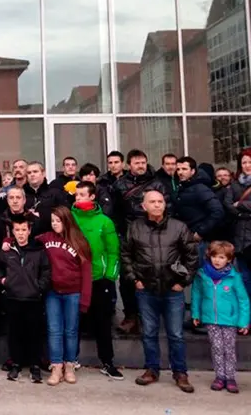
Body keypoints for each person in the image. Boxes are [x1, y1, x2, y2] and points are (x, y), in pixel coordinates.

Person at [121, 189, 197, 393]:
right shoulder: (134, 228)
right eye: (152, 202)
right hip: (146, 290)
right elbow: (126, 255)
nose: (157, 205)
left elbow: (191, 257)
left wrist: (183, 281)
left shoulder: (179, 227)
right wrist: (135, 279)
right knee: (149, 333)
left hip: (173, 290)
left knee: (176, 334)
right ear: (143, 206)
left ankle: (180, 372)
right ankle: (152, 369)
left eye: (160, 201)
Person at [112, 149, 169, 335]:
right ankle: (131, 316)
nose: (141, 165)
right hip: (128, 236)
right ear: (129, 165)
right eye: (136, 163)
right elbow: (114, 212)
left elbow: (168, 209)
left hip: (154, 235)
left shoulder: (157, 184)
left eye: (143, 162)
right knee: (128, 279)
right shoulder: (120, 185)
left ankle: (150, 316)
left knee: (152, 275)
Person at [71, 182, 123, 380]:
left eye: (82, 194)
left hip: (98, 279)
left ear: (92, 197)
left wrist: (110, 275)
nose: (78, 198)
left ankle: (107, 362)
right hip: (74, 278)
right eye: (76, 195)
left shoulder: (104, 221)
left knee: (102, 322)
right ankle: (71, 359)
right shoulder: (70, 218)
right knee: (73, 322)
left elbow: (113, 251)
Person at [36, 206, 92, 386]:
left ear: (66, 221)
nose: (54, 224)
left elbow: (86, 272)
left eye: (58, 221)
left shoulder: (79, 241)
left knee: (71, 330)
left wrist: (85, 300)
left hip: (73, 293)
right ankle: (56, 366)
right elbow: (26, 240)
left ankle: (70, 365)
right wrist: (7, 240)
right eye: (52, 221)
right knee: (54, 330)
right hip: (53, 292)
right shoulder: (46, 238)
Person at [0, 216, 51, 383]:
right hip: (13, 298)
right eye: (17, 230)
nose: (20, 234)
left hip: (33, 299)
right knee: (15, 333)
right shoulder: (8, 250)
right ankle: (16, 364)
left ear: (29, 231)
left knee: (34, 333)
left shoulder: (38, 250)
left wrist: (39, 287)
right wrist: (3, 280)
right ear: (13, 231)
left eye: (23, 230)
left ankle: (34, 366)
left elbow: (46, 271)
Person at [191, 241, 249, 393]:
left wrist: (243, 322)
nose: (217, 260)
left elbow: (243, 300)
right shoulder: (202, 275)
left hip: (229, 320)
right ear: (209, 257)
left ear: (229, 259)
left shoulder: (234, 277)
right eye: (214, 256)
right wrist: (196, 313)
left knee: (229, 349)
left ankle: (230, 377)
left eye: (222, 257)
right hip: (211, 319)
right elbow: (196, 294)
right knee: (216, 347)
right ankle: (219, 377)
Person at [173, 156, 224, 261]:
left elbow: (217, 211)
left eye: (184, 169)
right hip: (186, 239)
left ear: (192, 171)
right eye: (178, 169)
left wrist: (200, 232)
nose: (180, 172)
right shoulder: (182, 187)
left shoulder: (200, 188)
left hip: (199, 242)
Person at [226, 149, 251, 309]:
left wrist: (240, 205)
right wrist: (245, 214)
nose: (247, 165)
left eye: (250, 162)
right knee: (244, 280)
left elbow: (236, 205)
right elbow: (228, 205)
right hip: (240, 241)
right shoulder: (234, 185)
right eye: (244, 162)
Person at [23, 161, 67, 235]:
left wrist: (42, 215)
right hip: (27, 238)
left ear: (43, 173)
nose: (32, 174)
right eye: (29, 173)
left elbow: (65, 214)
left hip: (50, 237)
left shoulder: (55, 193)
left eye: (35, 171)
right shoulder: (21, 194)